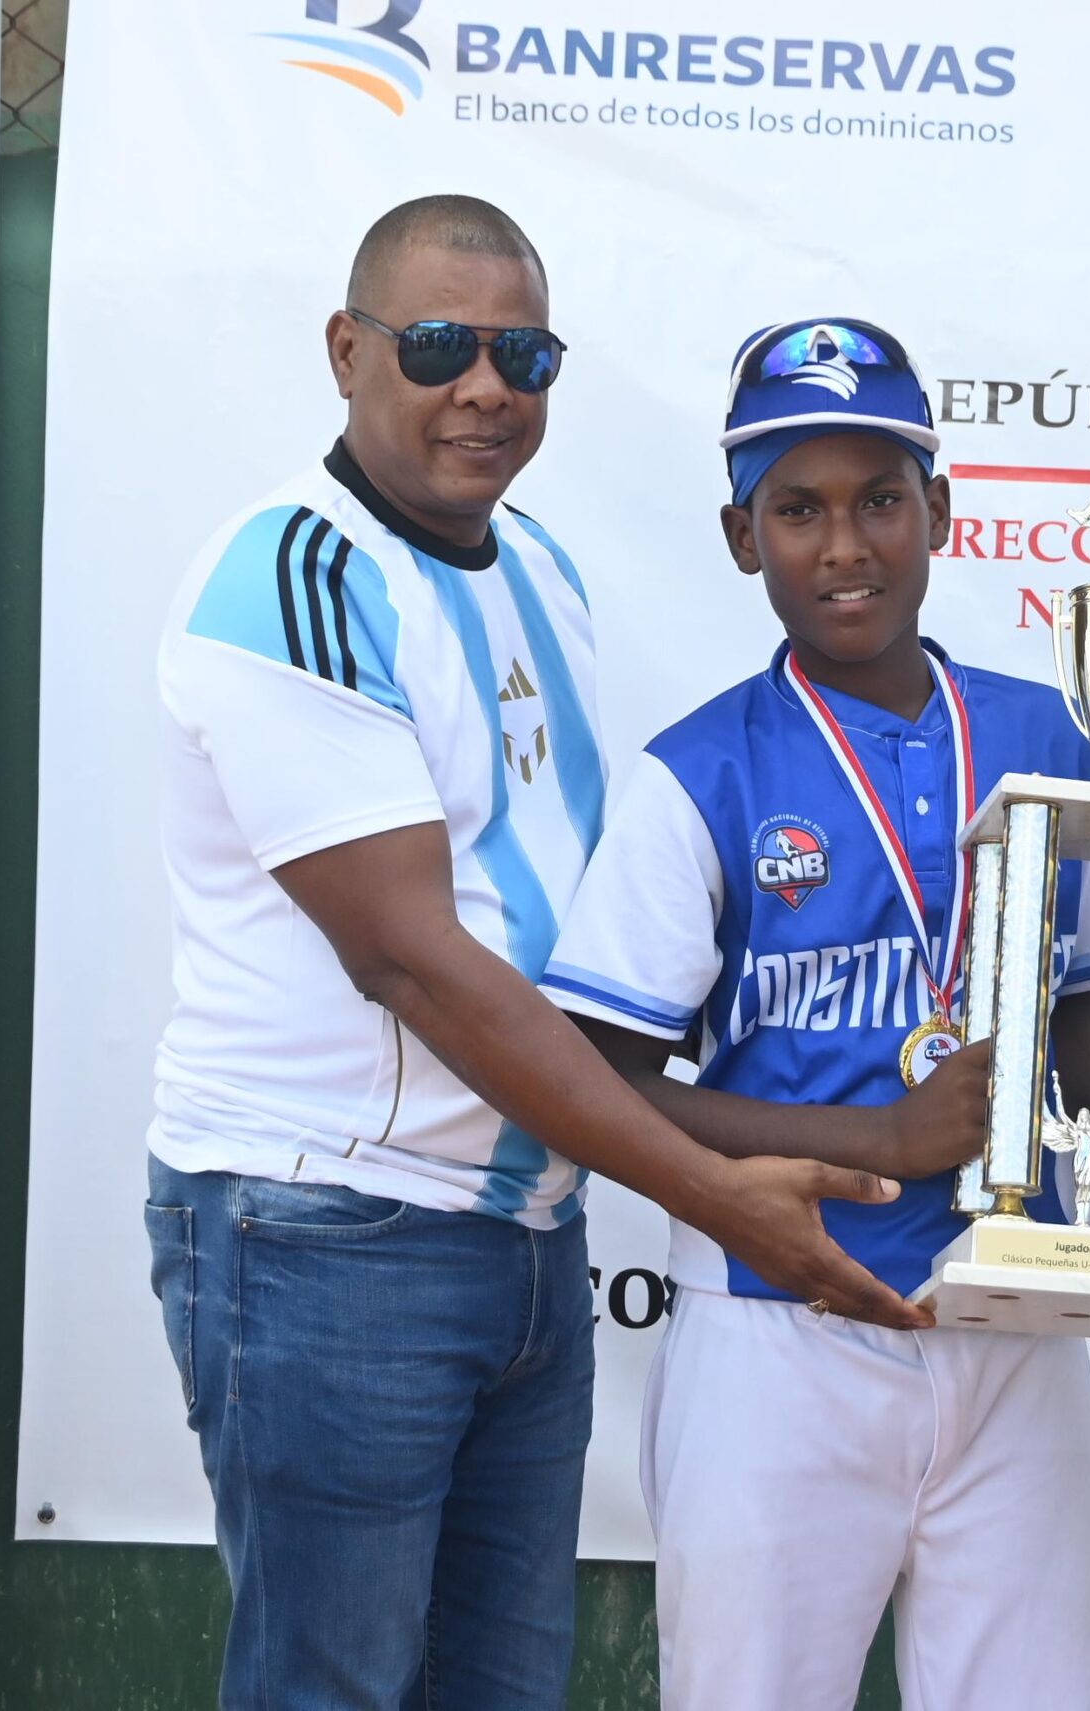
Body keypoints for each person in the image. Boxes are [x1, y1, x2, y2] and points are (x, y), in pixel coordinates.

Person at [141, 199, 923, 1711]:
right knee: (336, 1688)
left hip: (518, 1233)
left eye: (524, 353)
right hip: (328, 1233)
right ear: (347, 350)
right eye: (438, 347)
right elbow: (417, 966)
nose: (485, 387)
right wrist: (715, 1192)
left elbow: (567, 916)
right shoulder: (293, 581)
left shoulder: (536, 566)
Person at [541, 316, 1090, 1711]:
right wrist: (879, 1132)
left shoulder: (1051, 736)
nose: (845, 545)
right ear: (743, 536)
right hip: (779, 1325)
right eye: (798, 510)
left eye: (880, 500)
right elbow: (590, 1076)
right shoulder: (698, 774)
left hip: (1009, 1317)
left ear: (940, 511)